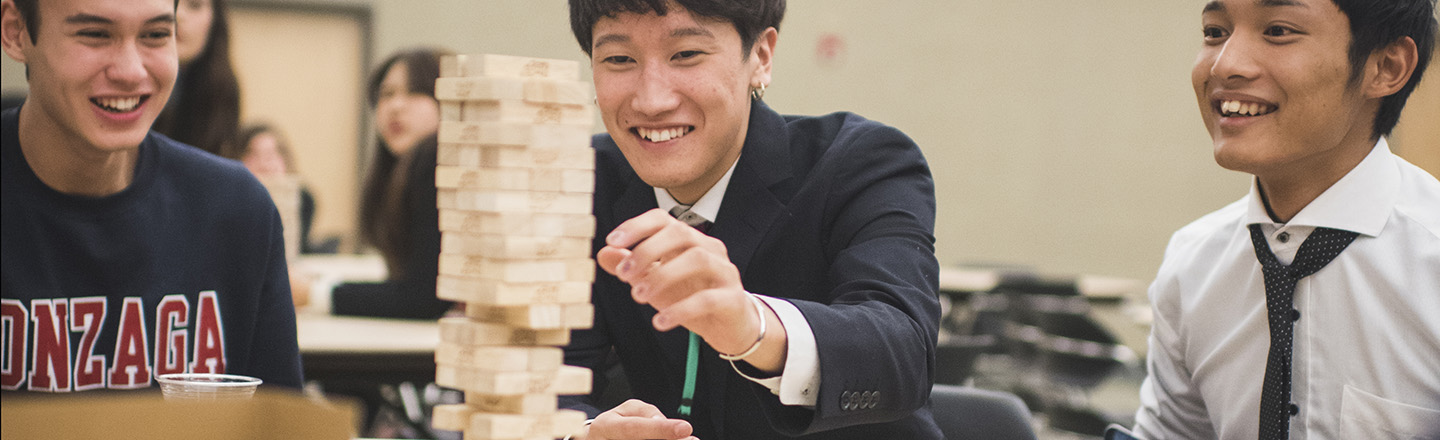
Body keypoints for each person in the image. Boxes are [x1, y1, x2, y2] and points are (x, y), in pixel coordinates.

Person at [561, 1, 943, 439]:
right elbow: (544, 378)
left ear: (760, 57)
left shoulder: (863, 163)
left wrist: (752, 326)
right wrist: (587, 433)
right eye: (619, 59)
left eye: (685, 54)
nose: (651, 100)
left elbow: (903, 351)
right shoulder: (581, 181)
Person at [1134, 0, 1439, 438]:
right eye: (1215, 32)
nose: (1226, 64)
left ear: (1386, 66)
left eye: (1278, 31)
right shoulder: (1192, 263)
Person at [0, 0, 302, 392]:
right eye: (94, 34)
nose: (130, 71)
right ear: (15, 31)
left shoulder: (236, 210)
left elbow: (278, 424)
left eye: (156, 35)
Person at [330, 48, 453, 320]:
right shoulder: (400, 172)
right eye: (387, 94)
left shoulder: (435, 159)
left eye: (415, 92)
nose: (396, 106)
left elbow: (423, 298)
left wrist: (321, 294)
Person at [152, 0, 239, 158]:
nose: (178, 15)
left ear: (215, 20)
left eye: (194, 5)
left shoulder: (222, 88)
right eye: (171, 3)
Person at [237, 122, 334, 255]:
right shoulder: (231, 198)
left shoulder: (303, 198)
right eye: (254, 154)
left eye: (271, 154)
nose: (264, 164)